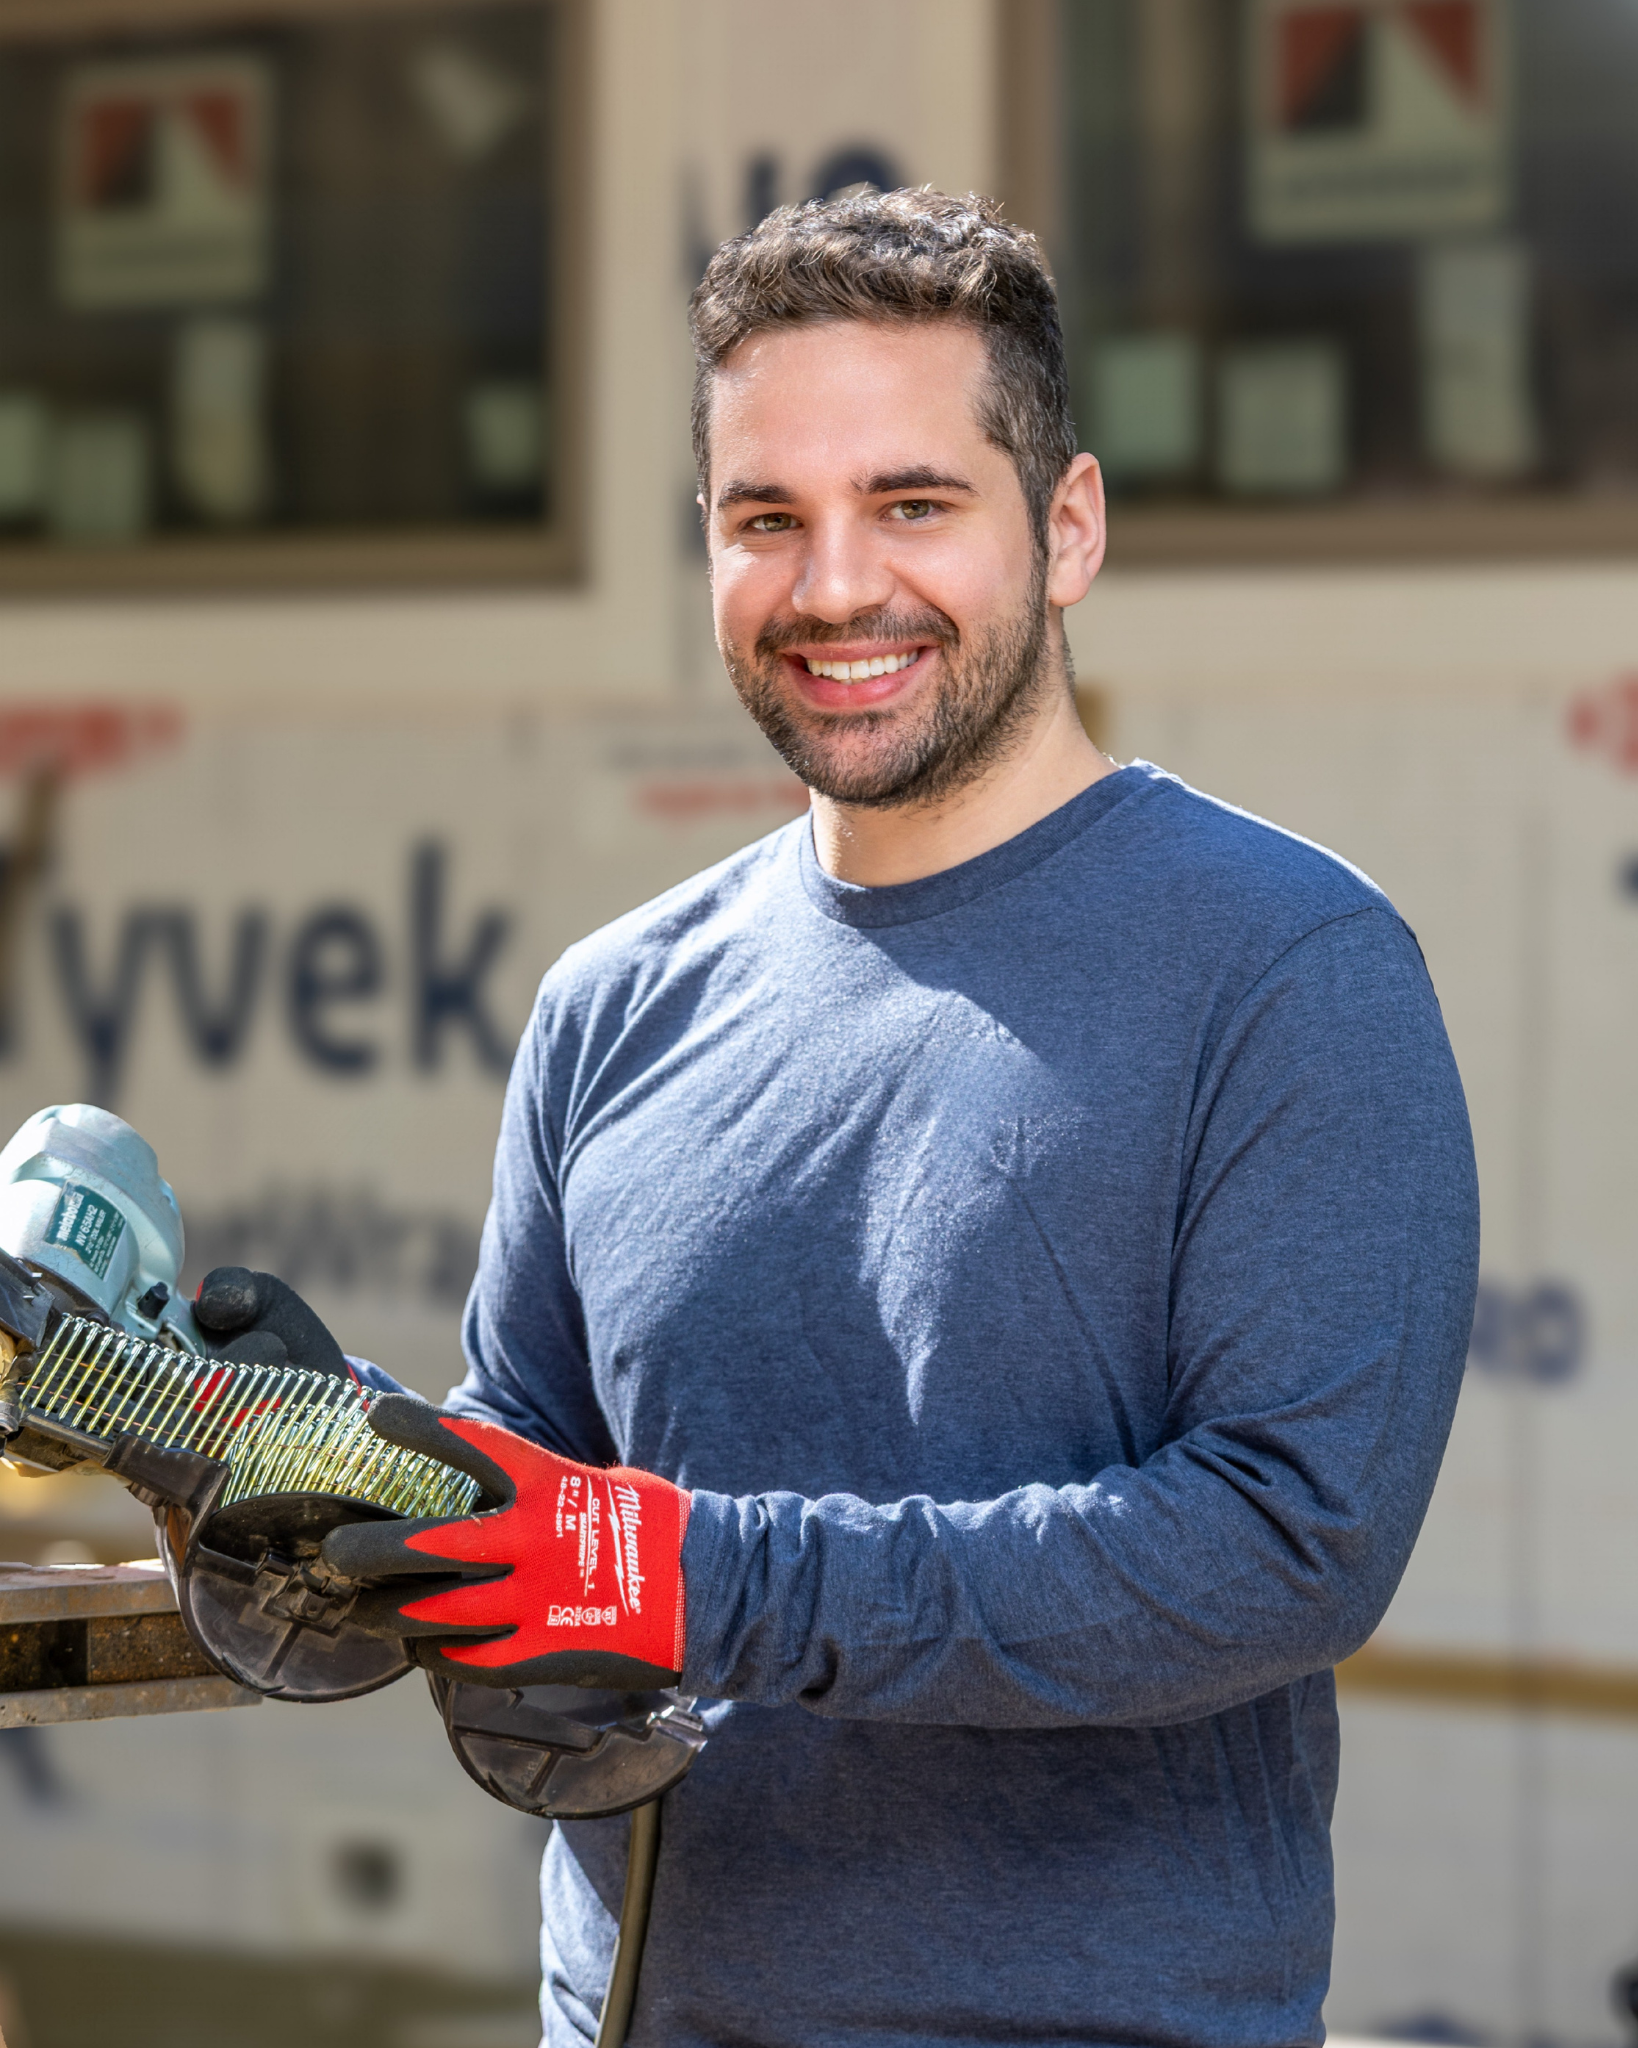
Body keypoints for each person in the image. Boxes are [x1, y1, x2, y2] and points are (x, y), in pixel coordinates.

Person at [203, 189, 1480, 2046]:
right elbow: (543, 1478)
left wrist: (688, 1575)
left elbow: (1284, 1548)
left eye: (910, 503)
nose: (831, 589)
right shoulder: (612, 1003)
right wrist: (359, 1469)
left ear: (1067, 526)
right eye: (763, 521)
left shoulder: (1287, 966)